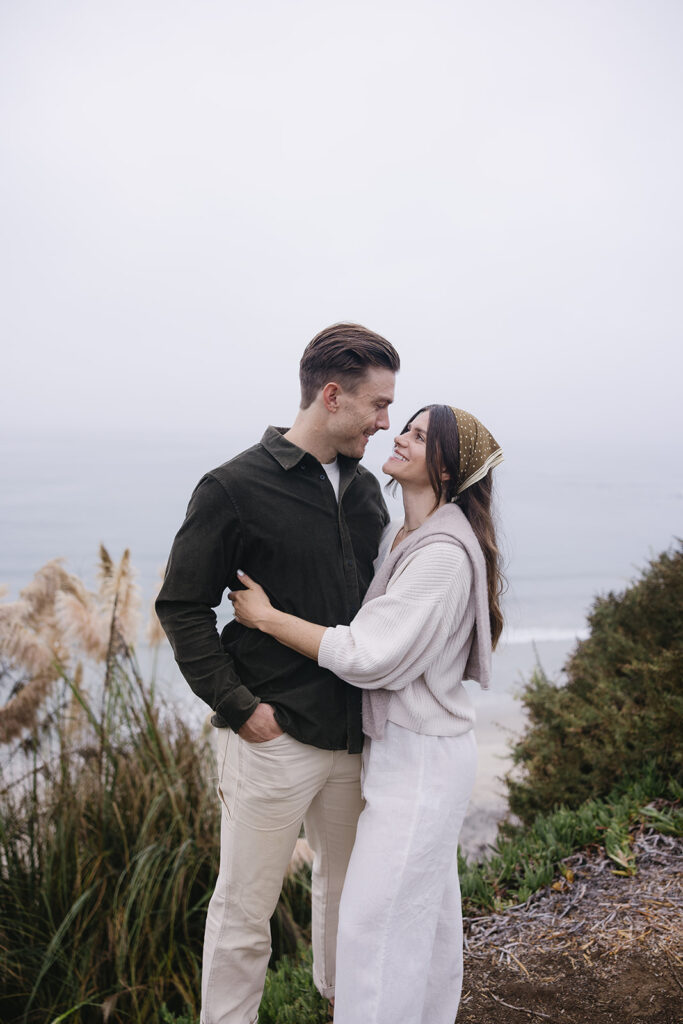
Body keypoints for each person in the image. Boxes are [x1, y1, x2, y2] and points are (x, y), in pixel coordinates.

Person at [155, 323, 400, 1024]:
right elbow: (181, 606)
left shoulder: (363, 492)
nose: (384, 423)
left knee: (347, 897)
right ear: (331, 396)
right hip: (271, 735)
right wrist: (239, 708)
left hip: (354, 736)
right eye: (376, 406)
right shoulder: (232, 486)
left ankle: (341, 1007)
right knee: (243, 906)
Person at [229, 402, 504, 1024]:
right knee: (422, 918)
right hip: (409, 750)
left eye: (418, 436)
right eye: (403, 425)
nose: (398, 436)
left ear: (447, 467)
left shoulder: (441, 554)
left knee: (372, 926)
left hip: (424, 760)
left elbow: (368, 654)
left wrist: (267, 619)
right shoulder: (403, 534)